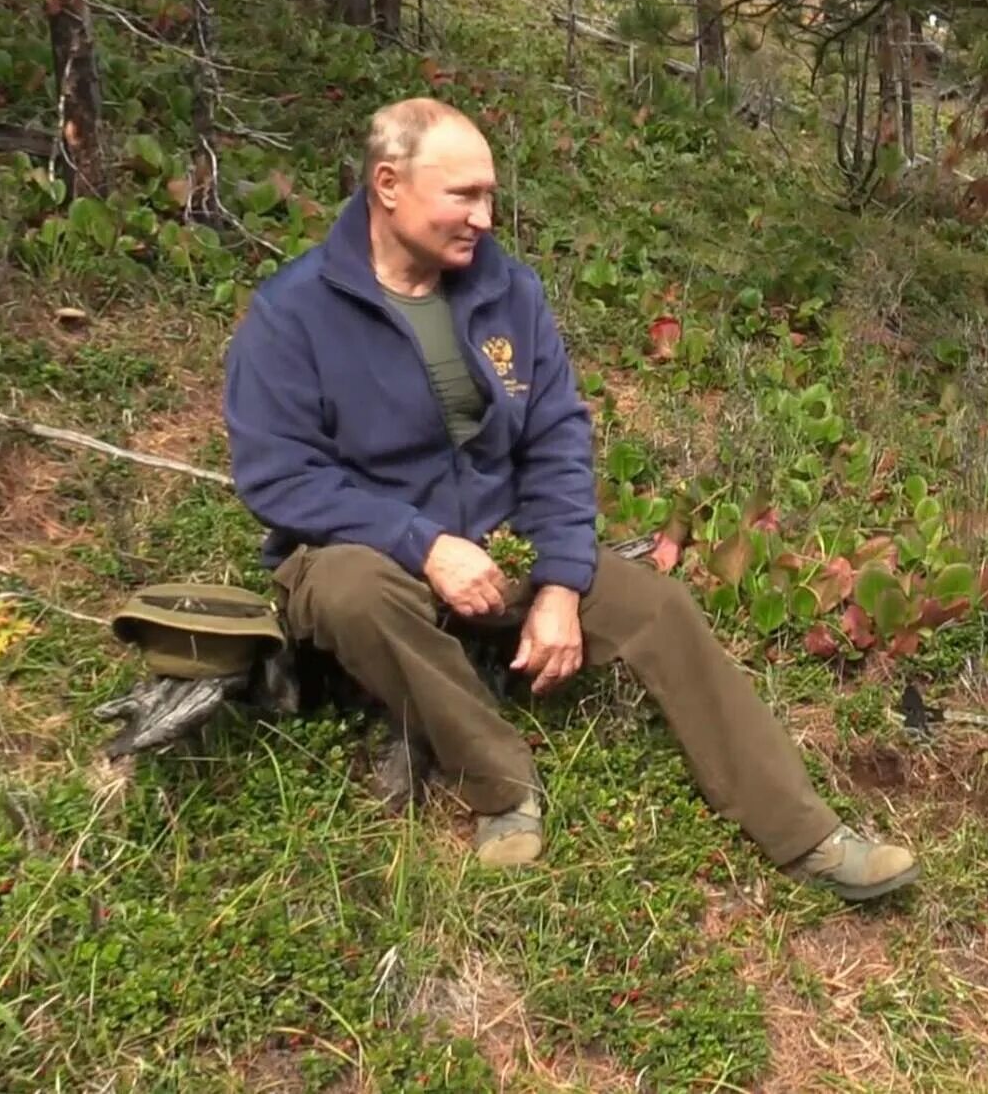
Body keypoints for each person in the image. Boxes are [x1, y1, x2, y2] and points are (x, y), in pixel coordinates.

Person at [221, 96, 918, 901]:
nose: (484, 216)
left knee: (657, 608)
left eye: (491, 196)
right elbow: (278, 476)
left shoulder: (508, 293)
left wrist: (555, 582)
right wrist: (422, 543)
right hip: (367, 552)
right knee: (350, 591)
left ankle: (809, 835)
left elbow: (554, 440)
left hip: (501, 544)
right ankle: (501, 785)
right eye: (463, 195)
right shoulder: (292, 314)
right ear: (387, 185)